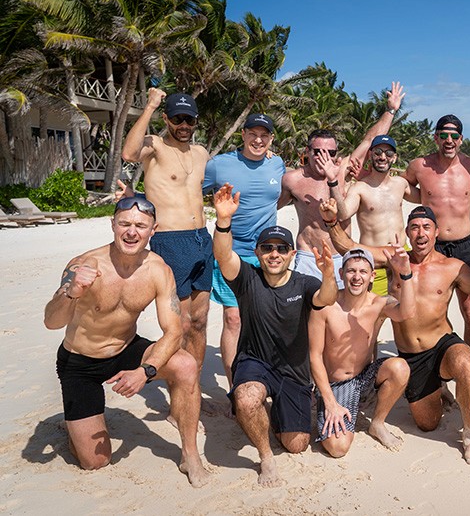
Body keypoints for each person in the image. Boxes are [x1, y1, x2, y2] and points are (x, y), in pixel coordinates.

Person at [43, 196, 209, 487]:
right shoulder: (83, 265)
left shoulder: (158, 270)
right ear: (113, 225)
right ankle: (74, 426)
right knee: (95, 461)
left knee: (185, 365)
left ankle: (190, 454)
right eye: (125, 224)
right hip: (81, 361)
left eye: (140, 226)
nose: (132, 232)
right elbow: (51, 322)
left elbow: (173, 332)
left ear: (152, 230)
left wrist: (146, 371)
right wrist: (72, 292)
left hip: (125, 348)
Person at [321, 201, 470, 465]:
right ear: (407, 233)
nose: (421, 233)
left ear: (437, 232)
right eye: (415, 228)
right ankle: (437, 387)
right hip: (412, 356)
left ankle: (469, 436)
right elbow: (348, 246)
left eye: (426, 227)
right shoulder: (393, 258)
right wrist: (331, 222)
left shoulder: (452, 267)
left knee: (465, 362)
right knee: (427, 424)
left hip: (443, 344)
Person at [212, 183, 339, 486]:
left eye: (281, 249)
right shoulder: (247, 278)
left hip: (294, 372)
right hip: (255, 363)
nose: (274, 254)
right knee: (245, 399)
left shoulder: (303, 283)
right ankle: (265, 457)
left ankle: (281, 407)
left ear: (291, 254)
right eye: (267, 248)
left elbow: (327, 299)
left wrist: (328, 273)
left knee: (295, 444)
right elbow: (223, 255)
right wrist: (223, 220)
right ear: (258, 253)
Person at [121, 88, 212, 370]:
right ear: (166, 118)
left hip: (202, 239)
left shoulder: (200, 153)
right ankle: (179, 394)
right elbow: (129, 153)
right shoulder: (155, 147)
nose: (183, 126)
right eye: (177, 119)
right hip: (171, 240)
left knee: (199, 321)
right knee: (180, 324)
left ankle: (192, 385)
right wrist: (149, 106)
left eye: (189, 120)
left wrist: (266, 153)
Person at [288, 82, 408, 294]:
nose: (325, 157)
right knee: (306, 316)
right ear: (307, 151)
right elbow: (267, 203)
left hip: (342, 255)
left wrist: (390, 110)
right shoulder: (292, 179)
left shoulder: (343, 170)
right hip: (308, 255)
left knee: (342, 318)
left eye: (331, 153)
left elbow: (371, 139)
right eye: (318, 151)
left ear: (337, 153)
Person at [203, 113, 285, 385]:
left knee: (267, 319)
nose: (258, 140)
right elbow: (187, 191)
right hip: (231, 251)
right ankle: (234, 387)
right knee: (234, 319)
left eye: (264, 135)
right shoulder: (219, 165)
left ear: (271, 139)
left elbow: (281, 197)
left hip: (268, 255)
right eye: (253, 133)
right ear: (243, 134)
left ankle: (265, 378)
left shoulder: (278, 164)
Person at [309, 246, 415, 457]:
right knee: (338, 448)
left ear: (372, 276)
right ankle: (332, 408)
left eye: (363, 272)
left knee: (399, 367)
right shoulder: (325, 305)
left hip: (364, 378)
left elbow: (407, 312)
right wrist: (330, 403)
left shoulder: (378, 303)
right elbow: (314, 356)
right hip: (336, 385)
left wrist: (405, 273)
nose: (357, 277)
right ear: (341, 274)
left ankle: (377, 423)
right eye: (351, 271)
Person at [404, 115, 470, 353]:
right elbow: (398, 189)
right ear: (435, 138)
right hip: (433, 247)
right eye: (443, 135)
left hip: (465, 246)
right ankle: (436, 364)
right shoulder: (419, 166)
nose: (449, 140)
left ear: (461, 139)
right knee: (432, 309)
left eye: (454, 136)